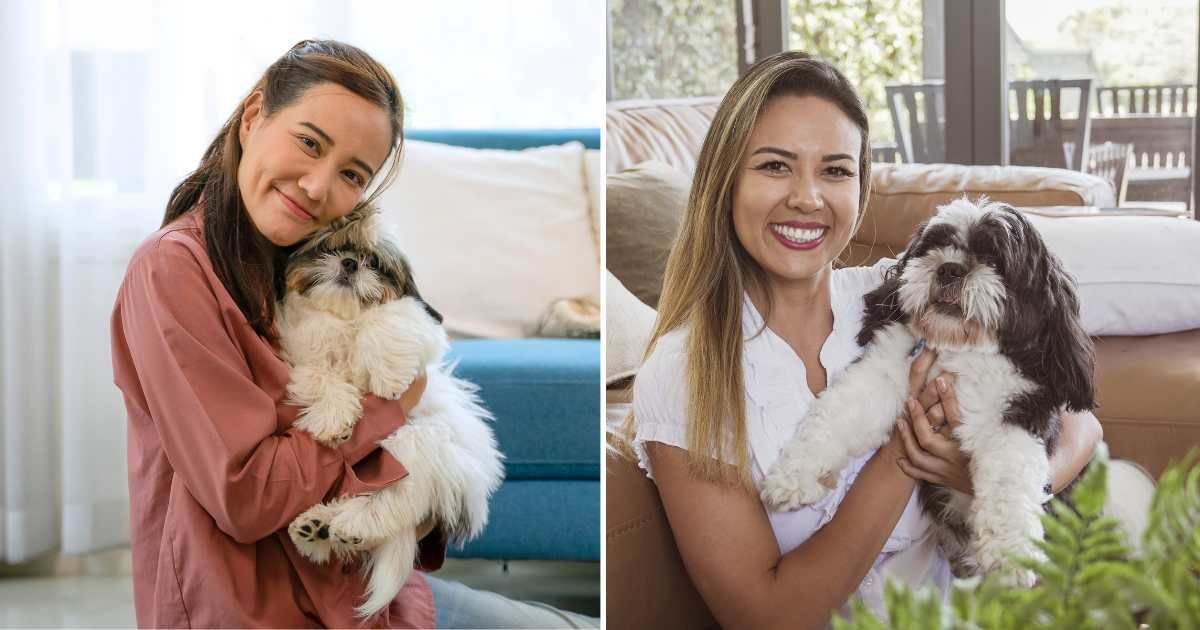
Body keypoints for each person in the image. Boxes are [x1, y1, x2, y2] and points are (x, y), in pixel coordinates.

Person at [111, 39, 596, 629]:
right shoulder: (173, 270)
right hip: (259, 613)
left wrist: (405, 497)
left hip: (366, 595)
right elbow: (246, 495)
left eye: (350, 174)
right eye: (309, 143)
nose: (317, 187)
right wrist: (390, 405)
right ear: (254, 116)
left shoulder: (294, 259)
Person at [619, 50, 1104, 629]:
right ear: (725, 181)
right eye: (775, 166)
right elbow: (767, 618)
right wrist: (902, 457)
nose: (807, 197)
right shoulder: (687, 370)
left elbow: (1079, 419)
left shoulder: (900, 296)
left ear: (861, 185)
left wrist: (998, 480)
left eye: (835, 170)